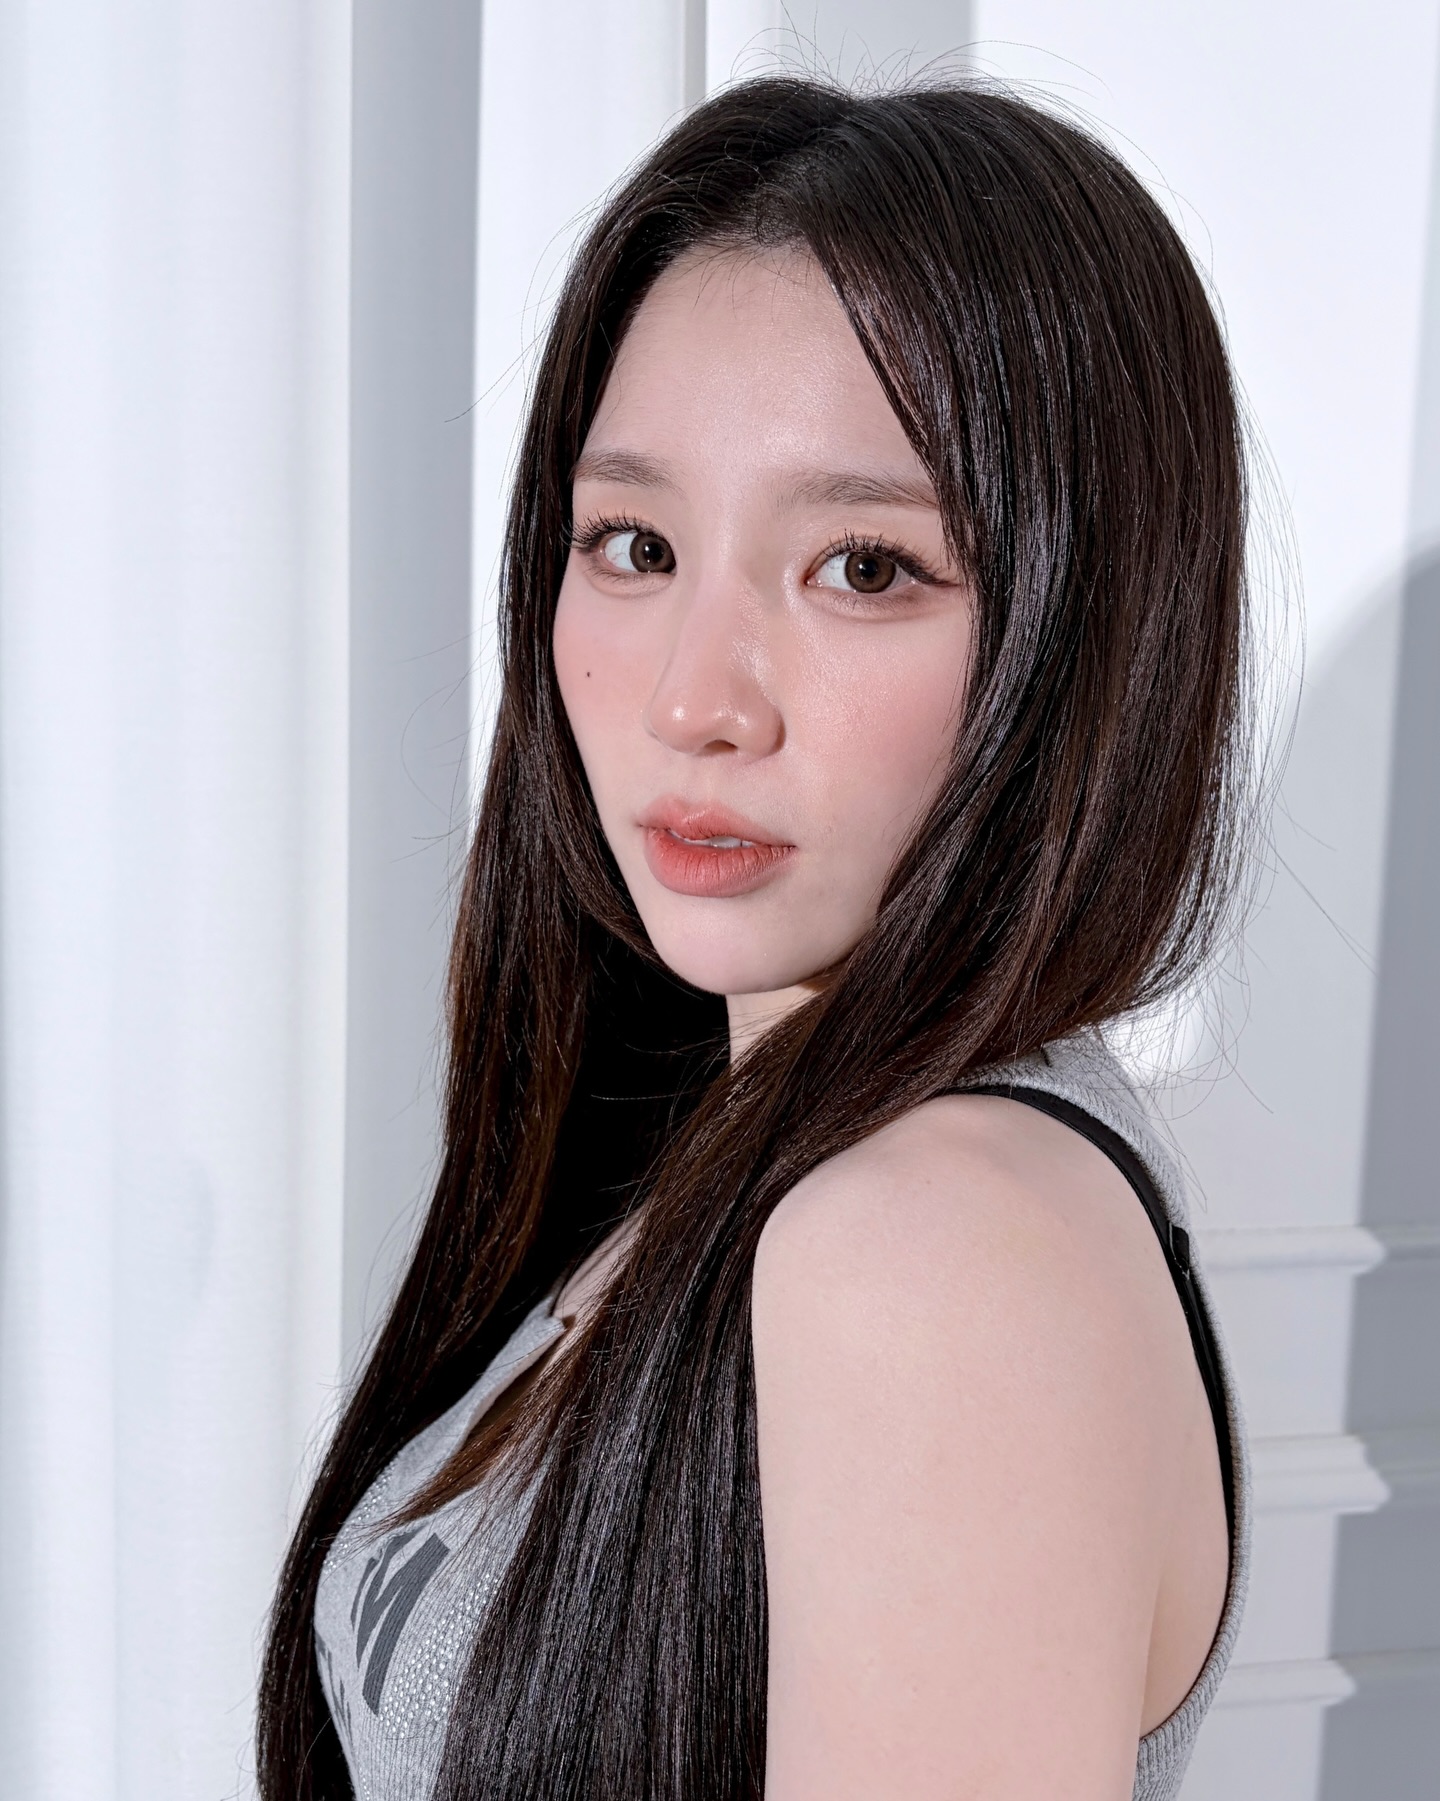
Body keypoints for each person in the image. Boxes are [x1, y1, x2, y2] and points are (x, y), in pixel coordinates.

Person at [259, 74, 1252, 1801]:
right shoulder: (739, 1157)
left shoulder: (934, 1247)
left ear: (1084, 628)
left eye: (863, 568)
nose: (694, 700)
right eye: (635, 544)